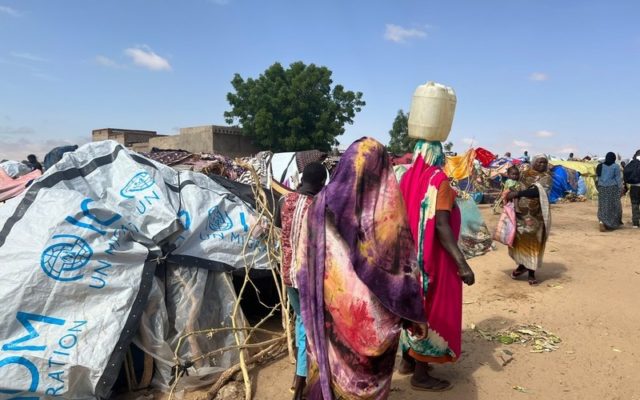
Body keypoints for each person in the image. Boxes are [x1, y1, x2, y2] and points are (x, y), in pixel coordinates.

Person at [296, 137, 425, 399]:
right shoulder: (386, 216)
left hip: (331, 312)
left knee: (333, 371)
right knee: (368, 381)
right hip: (371, 321)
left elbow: (303, 262)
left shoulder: (318, 205)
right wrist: (413, 313)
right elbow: (402, 275)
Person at [397, 140, 476, 392]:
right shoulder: (439, 180)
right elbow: (441, 225)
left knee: (412, 306)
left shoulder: (406, 177)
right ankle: (420, 375)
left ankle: (408, 360)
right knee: (431, 308)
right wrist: (462, 264)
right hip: (433, 258)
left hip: (409, 257)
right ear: (438, 155)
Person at [275, 162, 327, 400]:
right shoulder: (319, 207)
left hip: (288, 275)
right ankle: (300, 381)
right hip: (309, 279)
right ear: (321, 184)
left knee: (300, 321)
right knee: (309, 326)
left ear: (303, 178)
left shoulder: (283, 201)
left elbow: (279, 229)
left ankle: (300, 374)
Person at [505, 155, 552, 285]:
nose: (542, 165)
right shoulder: (524, 174)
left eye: (545, 162)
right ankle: (522, 266)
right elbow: (516, 185)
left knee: (533, 242)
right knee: (521, 241)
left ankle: (531, 273)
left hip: (536, 216)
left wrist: (518, 194)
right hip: (521, 216)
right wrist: (510, 193)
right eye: (539, 162)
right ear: (533, 162)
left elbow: (537, 191)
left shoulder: (547, 177)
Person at [596, 152, 624, 231]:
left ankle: (602, 221)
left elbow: (597, 179)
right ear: (614, 158)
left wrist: (599, 187)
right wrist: (621, 188)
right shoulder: (615, 166)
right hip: (612, 188)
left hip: (602, 188)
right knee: (614, 206)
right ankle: (611, 224)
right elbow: (618, 179)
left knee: (603, 206)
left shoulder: (600, 166)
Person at [623, 150, 640, 228]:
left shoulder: (631, 162)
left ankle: (635, 223)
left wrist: (626, 185)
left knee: (634, 204)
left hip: (634, 187)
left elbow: (625, 172)